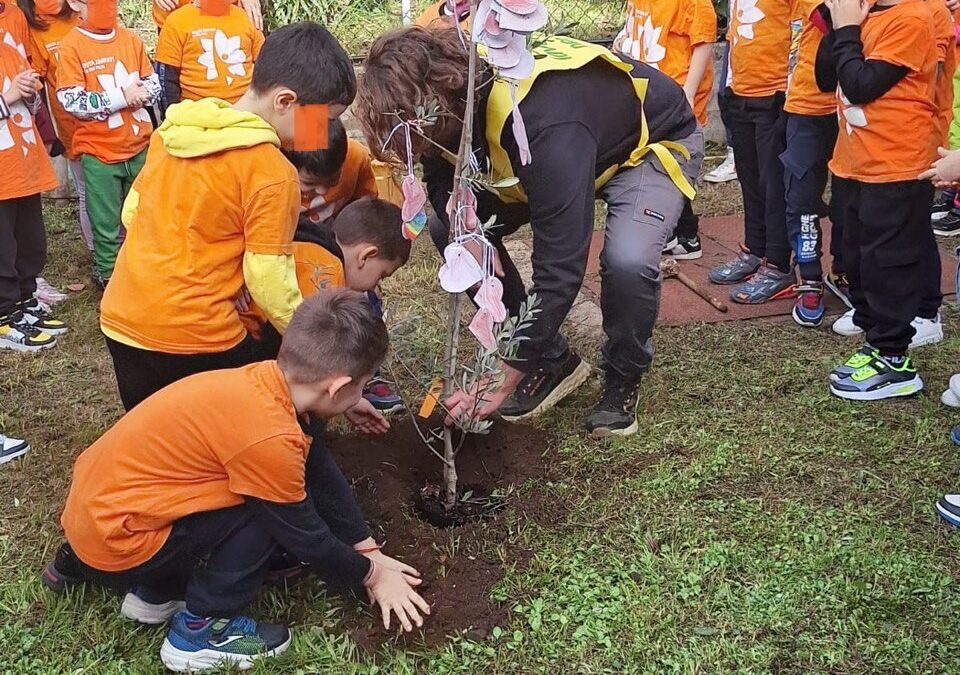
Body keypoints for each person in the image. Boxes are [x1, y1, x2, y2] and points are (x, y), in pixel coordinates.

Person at [43, 291, 430, 672]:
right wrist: (373, 576)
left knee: (256, 492)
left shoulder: (265, 383)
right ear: (336, 386)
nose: (361, 395)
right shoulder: (271, 439)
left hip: (98, 517)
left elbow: (316, 464)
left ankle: (157, 592)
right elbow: (306, 535)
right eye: (362, 386)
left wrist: (366, 547)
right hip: (119, 539)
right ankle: (199, 632)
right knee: (265, 512)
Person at [357, 28, 703, 437]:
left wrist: (502, 377)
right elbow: (439, 170)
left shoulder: (544, 123)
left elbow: (560, 271)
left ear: (441, 104)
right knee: (450, 230)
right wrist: (472, 236)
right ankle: (549, 360)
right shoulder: (461, 91)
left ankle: (622, 375)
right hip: (566, 148)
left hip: (647, 144)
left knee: (627, 259)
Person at [97, 22, 355, 411]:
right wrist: (307, 341)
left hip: (122, 322)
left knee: (159, 435)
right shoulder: (271, 172)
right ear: (285, 102)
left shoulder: (176, 132)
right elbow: (268, 279)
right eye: (322, 120)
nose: (321, 134)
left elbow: (132, 213)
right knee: (238, 422)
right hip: (198, 337)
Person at [817, 0, 939, 400]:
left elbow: (861, 85)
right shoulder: (862, 14)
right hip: (854, 164)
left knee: (889, 264)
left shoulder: (913, 18)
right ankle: (875, 342)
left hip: (897, 166)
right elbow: (824, 77)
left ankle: (894, 359)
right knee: (855, 257)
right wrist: (836, 23)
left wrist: (847, 31)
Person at [240, 196, 410, 416]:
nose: (377, 285)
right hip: (244, 346)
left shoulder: (313, 242)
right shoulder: (326, 270)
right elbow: (313, 351)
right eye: (382, 275)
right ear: (366, 256)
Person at [56, 0, 160, 286]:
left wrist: (143, 92)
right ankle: (108, 277)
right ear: (76, 4)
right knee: (105, 223)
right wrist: (121, 97)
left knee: (145, 216)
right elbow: (70, 100)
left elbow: (153, 82)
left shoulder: (131, 39)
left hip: (140, 146)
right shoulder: (72, 46)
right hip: (99, 153)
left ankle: (143, 271)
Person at [613, 0, 717, 261]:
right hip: (648, 95)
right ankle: (682, 235)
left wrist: (688, 94)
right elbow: (634, 29)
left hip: (674, 99)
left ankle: (678, 233)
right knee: (655, 166)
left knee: (667, 166)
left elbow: (703, 44)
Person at [708, 0, 795, 304]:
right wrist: (729, 86)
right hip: (740, 91)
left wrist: (791, 91)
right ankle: (754, 249)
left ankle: (778, 264)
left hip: (776, 95)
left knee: (774, 183)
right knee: (750, 178)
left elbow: (804, 30)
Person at [0, 41, 67, 352]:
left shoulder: (9, 49)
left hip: (22, 166)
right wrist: (9, 96)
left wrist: (30, 96)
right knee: (3, 250)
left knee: (30, 242)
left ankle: (26, 301)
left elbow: (32, 109)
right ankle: (5, 318)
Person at [781, 0, 844, 327]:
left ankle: (846, 271)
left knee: (853, 199)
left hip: (860, 104)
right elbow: (827, 18)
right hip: (808, 106)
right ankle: (809, 276)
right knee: (802, 198)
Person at [22, 0, 92, 254]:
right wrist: (47, 133)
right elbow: (36, 85)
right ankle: (99, 258)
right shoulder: (30, 25)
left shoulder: (83, 11)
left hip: (112, 122)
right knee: (88, 192)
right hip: (72, 125)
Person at [154, 0, 264, 117]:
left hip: (243, 113)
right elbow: (166, 78)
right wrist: (172, 117)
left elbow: (266, 67)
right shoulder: (177, 22)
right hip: (194, 114)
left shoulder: (246, 19)